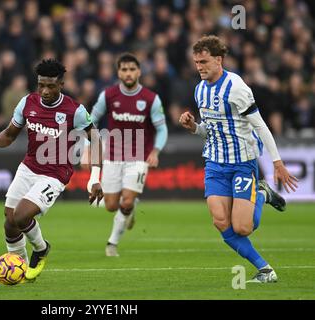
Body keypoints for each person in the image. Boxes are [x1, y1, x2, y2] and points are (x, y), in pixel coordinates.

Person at [179, 35, 298, 283]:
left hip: (242, 162)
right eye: (196, 62)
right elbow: (209, 131)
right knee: (221, 221)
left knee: (243, 227)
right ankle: (265, 269)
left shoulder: (237, 87)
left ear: (219, 59)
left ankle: (262, 193)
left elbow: (261, 127)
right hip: (214, 163)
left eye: (204, 61)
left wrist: (277, 162)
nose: (199, 66)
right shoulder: (199, 90)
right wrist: (193, 127)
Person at [0, 59, 103, 281]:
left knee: (21, 215)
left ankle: (41, 248)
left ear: (61, 85)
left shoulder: (74, 110)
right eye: (41, 85)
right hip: (29, 167)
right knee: (10, 223)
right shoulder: (27, 103)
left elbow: (95, 139)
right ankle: (20, 270)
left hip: (55, 174)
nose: (45, 91)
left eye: (50, 86)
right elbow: (9, 134)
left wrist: (95, 178)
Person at [89, 53, 168, 257]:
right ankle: (131, 209)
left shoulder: (151, 99)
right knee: (110, 205)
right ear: (119, 72)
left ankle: (112, 243)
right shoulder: (108, 95)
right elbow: (91, 121)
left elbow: (162, 129)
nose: (128, 73)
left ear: (139, 71)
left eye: (132, 69)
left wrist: (156, 151)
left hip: (138, 157)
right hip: (113, 155)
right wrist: (89, 147)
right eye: (124, 69)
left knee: (125, 201)